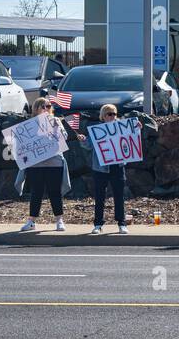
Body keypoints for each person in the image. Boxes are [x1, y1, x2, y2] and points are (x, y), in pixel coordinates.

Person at [18, 97, 76, 232]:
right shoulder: (29, 125)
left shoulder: (55, 121)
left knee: (54, 192)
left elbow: (65, 137)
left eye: (49, 106)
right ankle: (31, 221)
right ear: (36, 108)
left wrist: (57, 129)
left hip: (54, 163)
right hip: (35, 165)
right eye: (44, 106)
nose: (47, 109)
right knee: (35, 193)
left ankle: (59, 220)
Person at [82, 103, 129, 235]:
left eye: (114, 113)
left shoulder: (122, 127)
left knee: (119, 196)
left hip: (118, 166)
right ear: (103, 116)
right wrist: (83, 140)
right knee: (100, 197)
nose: (113, 116)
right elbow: (89, 146)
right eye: (109, 114)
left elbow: (130, 140)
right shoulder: (97, 130)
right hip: (100, 168)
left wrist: (137, 129)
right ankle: (98, 224)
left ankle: (122, 223)